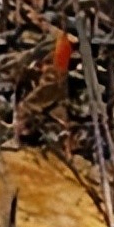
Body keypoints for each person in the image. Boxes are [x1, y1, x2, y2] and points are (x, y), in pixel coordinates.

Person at [16, 17, 76, 147]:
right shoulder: (58, 40)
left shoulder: (61, 43)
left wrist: (26, 107)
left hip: (53, 90)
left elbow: (53, 80)